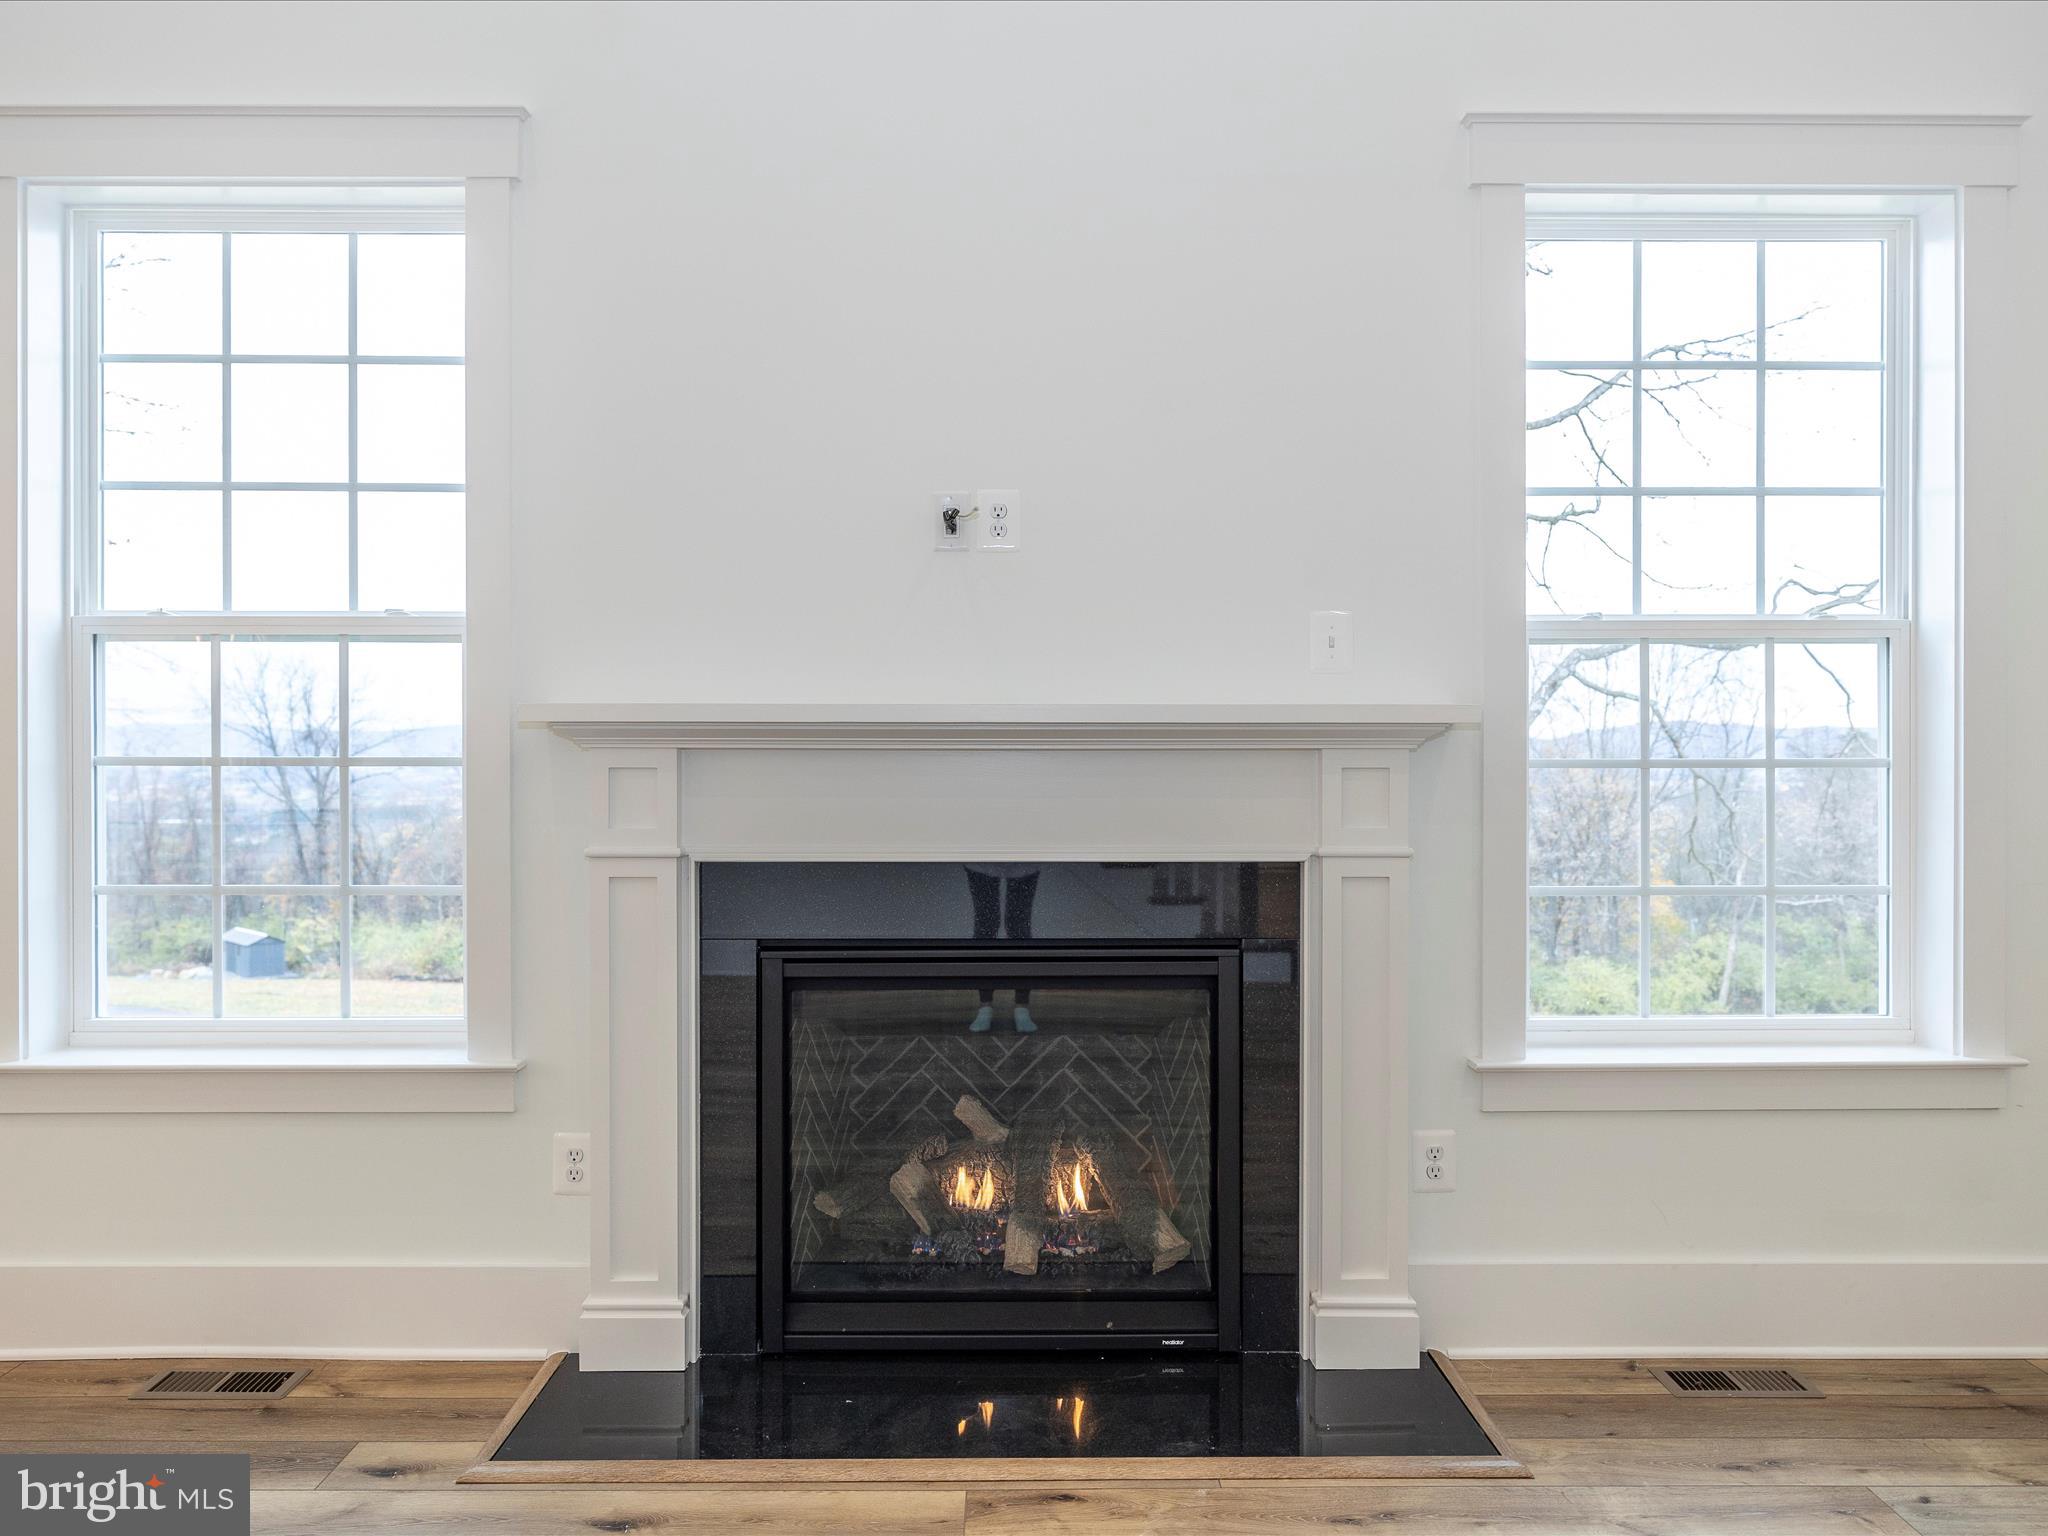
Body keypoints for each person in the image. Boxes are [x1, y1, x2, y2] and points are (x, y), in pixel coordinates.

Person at [964, 863, 1039, 1033]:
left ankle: (1021, 1006)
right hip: (984, 858)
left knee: (1018, 927)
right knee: (986, 925)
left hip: (1021, 857)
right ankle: (985, 1006)